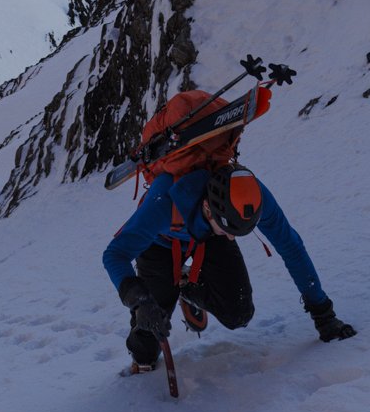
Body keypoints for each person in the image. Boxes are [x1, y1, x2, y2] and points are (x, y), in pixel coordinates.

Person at [102, 87, 356, 369]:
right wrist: (139, 301)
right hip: (160, 244)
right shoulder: (165, 200)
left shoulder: (250, 194)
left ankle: (186, 287)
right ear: (210, 208)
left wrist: (324, 314)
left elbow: (290, 246)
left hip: (208, 236)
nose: (233, 238)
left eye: (237, 231)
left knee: (238, 313)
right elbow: (115, 254)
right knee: (147, 342)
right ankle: (143, 355)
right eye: (229, 230)